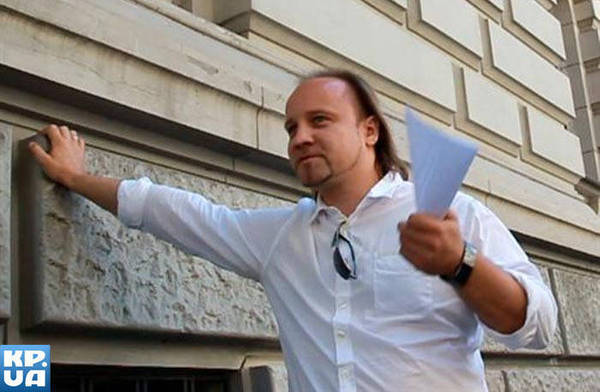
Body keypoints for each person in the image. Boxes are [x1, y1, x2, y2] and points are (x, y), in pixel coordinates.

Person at [28, 70, 557, 391]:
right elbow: (173, 211)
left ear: (369, 130)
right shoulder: (281, 237)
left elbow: (536, 325)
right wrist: (76, 178)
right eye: (291, 127)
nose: (299, 137)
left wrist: (461, 264)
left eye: (319, 121)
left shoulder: (449, 214)